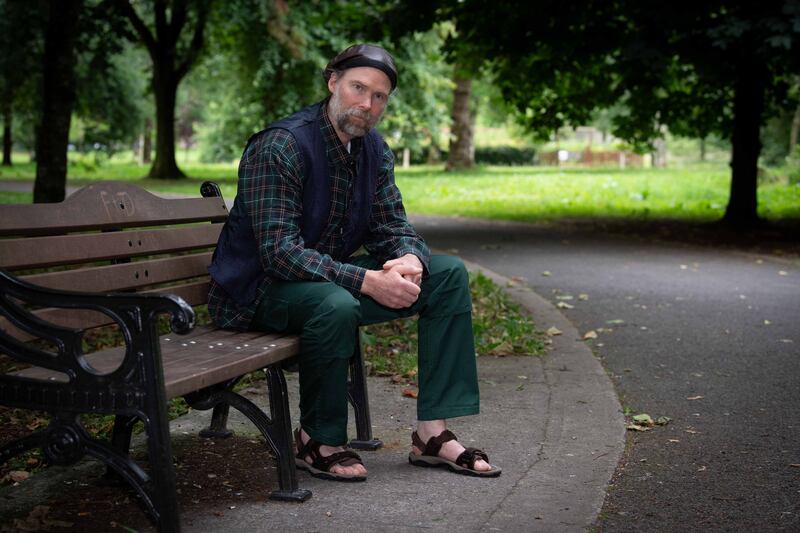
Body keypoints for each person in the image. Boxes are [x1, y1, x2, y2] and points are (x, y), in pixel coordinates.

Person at [207, 43, 501, 481]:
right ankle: (316, 439)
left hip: (322, 285)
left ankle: (431, 435)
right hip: (255, 293)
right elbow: (278, 252)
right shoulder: (281, 146)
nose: (367, 104)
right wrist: (365, 279)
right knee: (335, 303)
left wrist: (409, 258)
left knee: (448, 275)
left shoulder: (373, 150)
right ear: (332, 82)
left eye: (379, 96)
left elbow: (391, 225)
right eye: (357, 88)